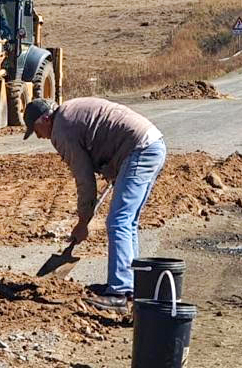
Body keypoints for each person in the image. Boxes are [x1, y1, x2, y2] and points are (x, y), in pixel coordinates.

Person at [23, 97, 166, 311]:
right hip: (149, 145)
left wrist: (83, 222)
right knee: (127, 223)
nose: (39, 136)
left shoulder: (61, 130)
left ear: (44, 119)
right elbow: (103, 137)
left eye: (35, 130)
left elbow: (85, 179)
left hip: (139, 150)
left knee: (119, 223)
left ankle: (119, 293)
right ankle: (130, 288)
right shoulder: (68, 114)